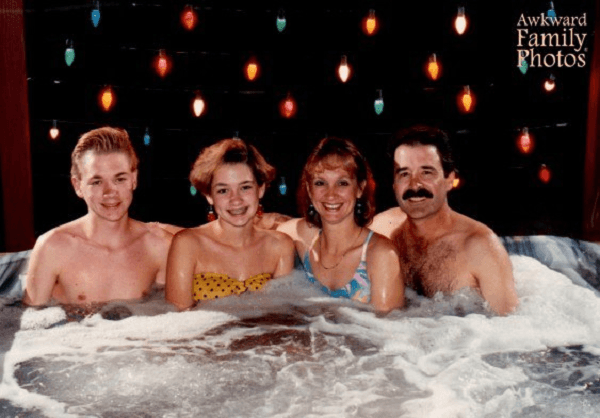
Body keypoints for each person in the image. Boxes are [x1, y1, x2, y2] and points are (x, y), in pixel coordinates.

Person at [370, 125, 518, 315]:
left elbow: (512, 329)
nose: (414, 184)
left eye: (427, 172)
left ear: (449, 180)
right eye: (404, 174)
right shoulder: (383, 229)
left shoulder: (480, 246)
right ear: (394, 184)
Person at [23, 127, 173, 306]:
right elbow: (29, 326)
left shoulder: (160, 246)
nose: (110, 192)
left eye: (120, 179)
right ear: (78, 185)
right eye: (97, 182)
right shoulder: (53, 247)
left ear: (134, 179)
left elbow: (169, 317)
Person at [278, 137, 404, 313]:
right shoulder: (303, 240)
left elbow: (390, 334)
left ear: (360, 188)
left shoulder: (380, 255)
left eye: (342, 183)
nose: (331, 195)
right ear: (309, 189)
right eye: (320, 183)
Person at [165, 139, 295, 310]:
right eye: (223, 190)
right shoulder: (187, 244)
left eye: (245, 187)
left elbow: (282, 318)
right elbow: (175, 322)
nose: (236, 200)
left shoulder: (280, 246)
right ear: (209, 196)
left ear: (261, 189)